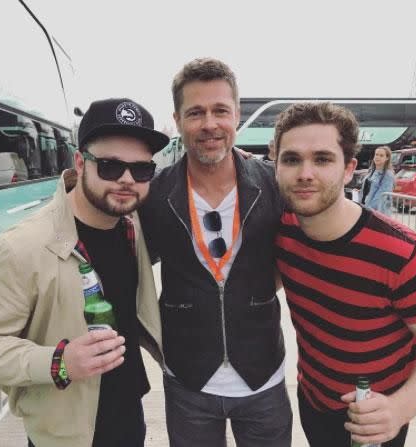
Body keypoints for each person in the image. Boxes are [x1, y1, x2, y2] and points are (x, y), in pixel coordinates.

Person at [0, 98, 168, 447]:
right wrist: (59, 362)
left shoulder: (132, 224)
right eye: (111, 166)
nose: (127, 180)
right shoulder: (22, 246)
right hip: (65, 432)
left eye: (142, 169)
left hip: (129, 414)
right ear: (81, 163)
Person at [273, 102, 416, 447]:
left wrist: (399, 409)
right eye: (291, 159)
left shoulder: (404, 255)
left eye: (322, 159)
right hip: (312, 399)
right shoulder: (282, 231)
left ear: (348, 169)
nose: (305, 173)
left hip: (375, 417)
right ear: (276, 166)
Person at [139, 58, 292, 446]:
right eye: (196, 112)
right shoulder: (154, 196)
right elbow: (130, 268)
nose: (209, 124)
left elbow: (299, 254)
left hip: (263, 375)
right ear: (177, 119)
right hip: (188, 378)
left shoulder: (273, 185)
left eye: (220, 110)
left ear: (236, 115)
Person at [359, 145, 395, 215]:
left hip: (376, 212)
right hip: (364, 208)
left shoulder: (388, 175)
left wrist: (368, 210)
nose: (377, 157)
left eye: (381, 155)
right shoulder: (371, 171)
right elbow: (367, 190)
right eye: (376, 154)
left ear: (387, 158)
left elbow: (381, 196)